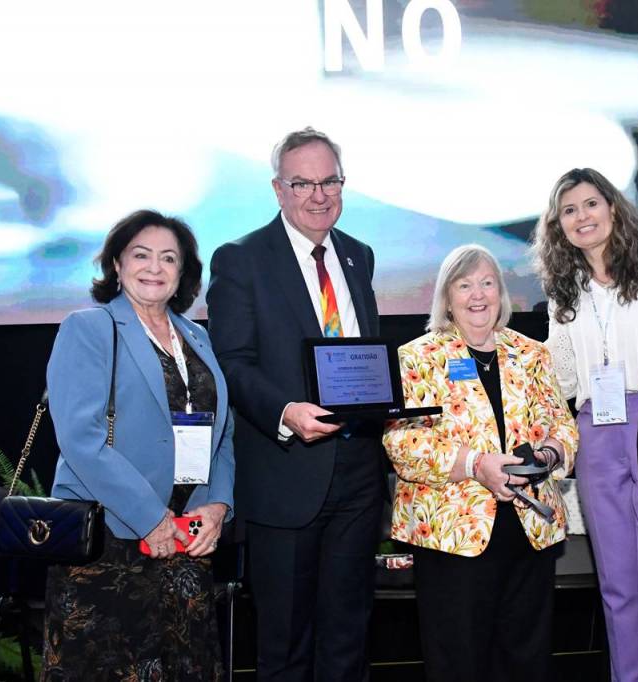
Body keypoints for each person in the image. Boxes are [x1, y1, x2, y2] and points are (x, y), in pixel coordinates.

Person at [207, 127, 384, 681]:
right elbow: (232, 362)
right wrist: (285, 412)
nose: (319, 195)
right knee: (285, 647)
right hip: (286, 475)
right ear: (278, 189)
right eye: (303, 183)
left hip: (359, 472)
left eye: (330, 181)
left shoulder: (357, 256)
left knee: (348, 638)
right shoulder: (240, 259)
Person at [42, 210, 235, 680]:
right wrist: (150, 518)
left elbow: (222, 431)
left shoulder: (197, 336)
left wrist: (217, 505)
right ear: (117, 264)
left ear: (183, 272)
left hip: (186, 541)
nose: (154, 268)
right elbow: (81, 440)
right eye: (141, 255)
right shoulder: (89, 328)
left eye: (168, 258)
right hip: (111, 543)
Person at [383, 244, 578, 682]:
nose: (478, 295)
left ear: (501, 292)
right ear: (446, 296)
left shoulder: (532, 353)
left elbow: (563, 427)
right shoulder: (418, 357)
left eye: (487, 283)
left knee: (527, 662)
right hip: (453, 537)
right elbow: (403, 442)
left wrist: (547, 455)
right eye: (464, 284)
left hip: (530, 532)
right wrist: (476, 464)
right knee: (459, 663)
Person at [531, 167, 638, 682]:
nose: (582, 217)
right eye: (569, 211)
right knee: (616, 582)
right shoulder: (565, 292)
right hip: (595, 427)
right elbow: (562, 377)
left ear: (613, 207)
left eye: (590, 204)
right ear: (559, 226)